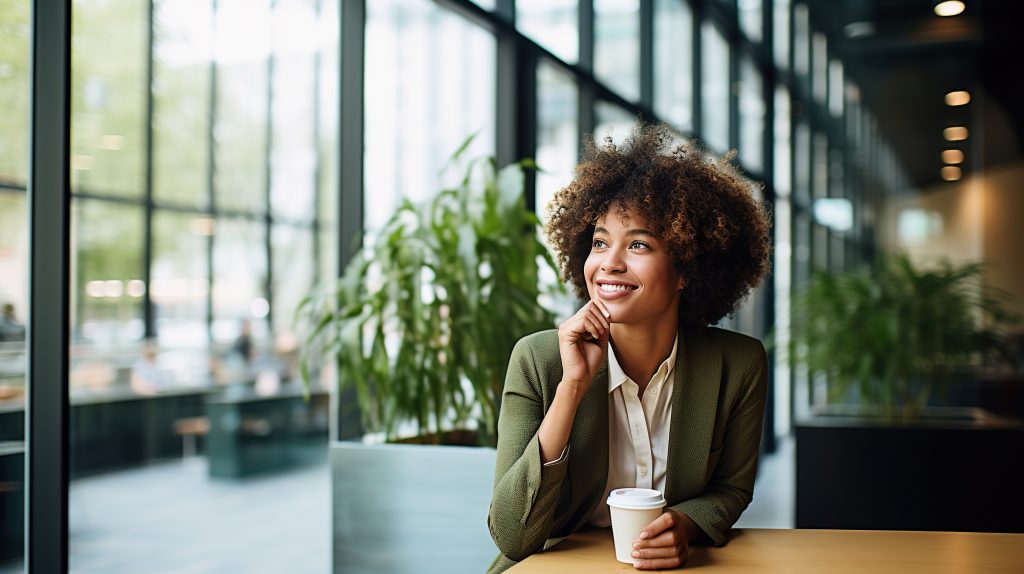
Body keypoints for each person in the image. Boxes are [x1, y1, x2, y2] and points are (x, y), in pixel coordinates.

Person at [487, 122, 772, 572]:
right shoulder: (538, 360)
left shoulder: (738, 364)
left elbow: (730, 489)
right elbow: (512, 534)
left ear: (686, 271)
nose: (608, 264)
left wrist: (684, 524)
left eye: (638, 243)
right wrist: (572, 387)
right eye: (600, 242)